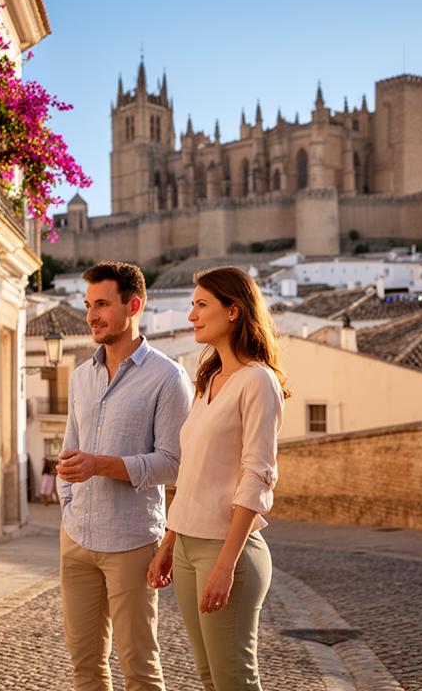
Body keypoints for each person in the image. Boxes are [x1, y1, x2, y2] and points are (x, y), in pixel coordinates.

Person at [147, 266, 289, 691]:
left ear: (233, 311)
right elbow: (191, 472)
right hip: (189, 547)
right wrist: (170, 542)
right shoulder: (209, 381)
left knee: (234, 682)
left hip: (228, 552)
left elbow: (258, 475)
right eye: (192, 304)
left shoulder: (258, 381)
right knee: (211, 678)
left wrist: (226, 564)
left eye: (201, 304)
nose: (191, 314)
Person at [56, 262, 193, 691]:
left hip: (132, 543)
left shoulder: (168, 377)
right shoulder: (81, 377)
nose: (91, 315)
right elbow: (69, 450)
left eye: (102, 304)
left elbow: (175, 463)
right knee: (85, 667)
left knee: (140, 669)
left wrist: (103, 465)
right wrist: (68, 505)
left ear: (133, 305)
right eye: (88, 305)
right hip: (77, 539)